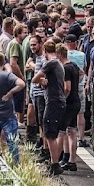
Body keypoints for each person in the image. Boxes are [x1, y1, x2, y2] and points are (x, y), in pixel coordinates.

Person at [32, 45, 67, 176]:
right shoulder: (59, 63)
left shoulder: (50, 63)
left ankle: (54, 164)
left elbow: (35, 79)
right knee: (53, 132)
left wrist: (41, 81)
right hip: (59, 101)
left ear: (45, 52)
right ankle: (54, 162)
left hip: (53, 101)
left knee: (50, 133)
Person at [58, 45, 80, 172]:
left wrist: (63, 99)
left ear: (60, 54)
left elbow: (67, 88)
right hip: (76, 101)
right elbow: (81, 74)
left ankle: (64, 160)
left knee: (62, 132)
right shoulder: (74, 66)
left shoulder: (65, 68)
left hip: (69, 103)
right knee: (71, 131)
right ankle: (71, 160)